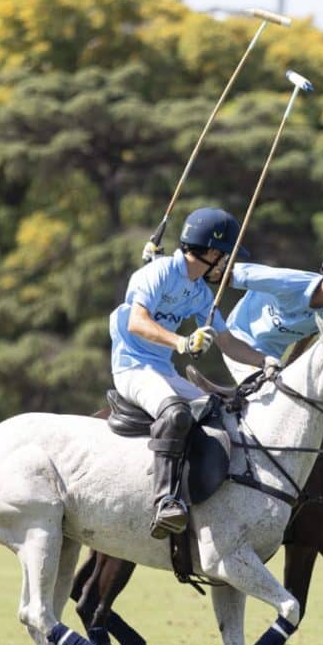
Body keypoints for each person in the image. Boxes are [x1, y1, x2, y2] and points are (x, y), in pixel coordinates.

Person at [109, 206, 271, 539]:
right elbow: (136, 322)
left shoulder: (201, 294)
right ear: (212, 252)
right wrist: (183, 342)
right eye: (226, 256)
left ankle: (208, 492)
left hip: (161, 369)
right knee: (176, 413)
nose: (228, 265)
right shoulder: (159, 273)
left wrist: (267, 362)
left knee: (220, 412)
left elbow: (227, 342)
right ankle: (165, 500)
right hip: (132, 367)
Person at [220, 242, 323, 384]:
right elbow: (227, 274)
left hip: (272, 357)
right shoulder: (287, 283)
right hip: (238, 340)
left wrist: (292, 361)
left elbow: (311, 331)